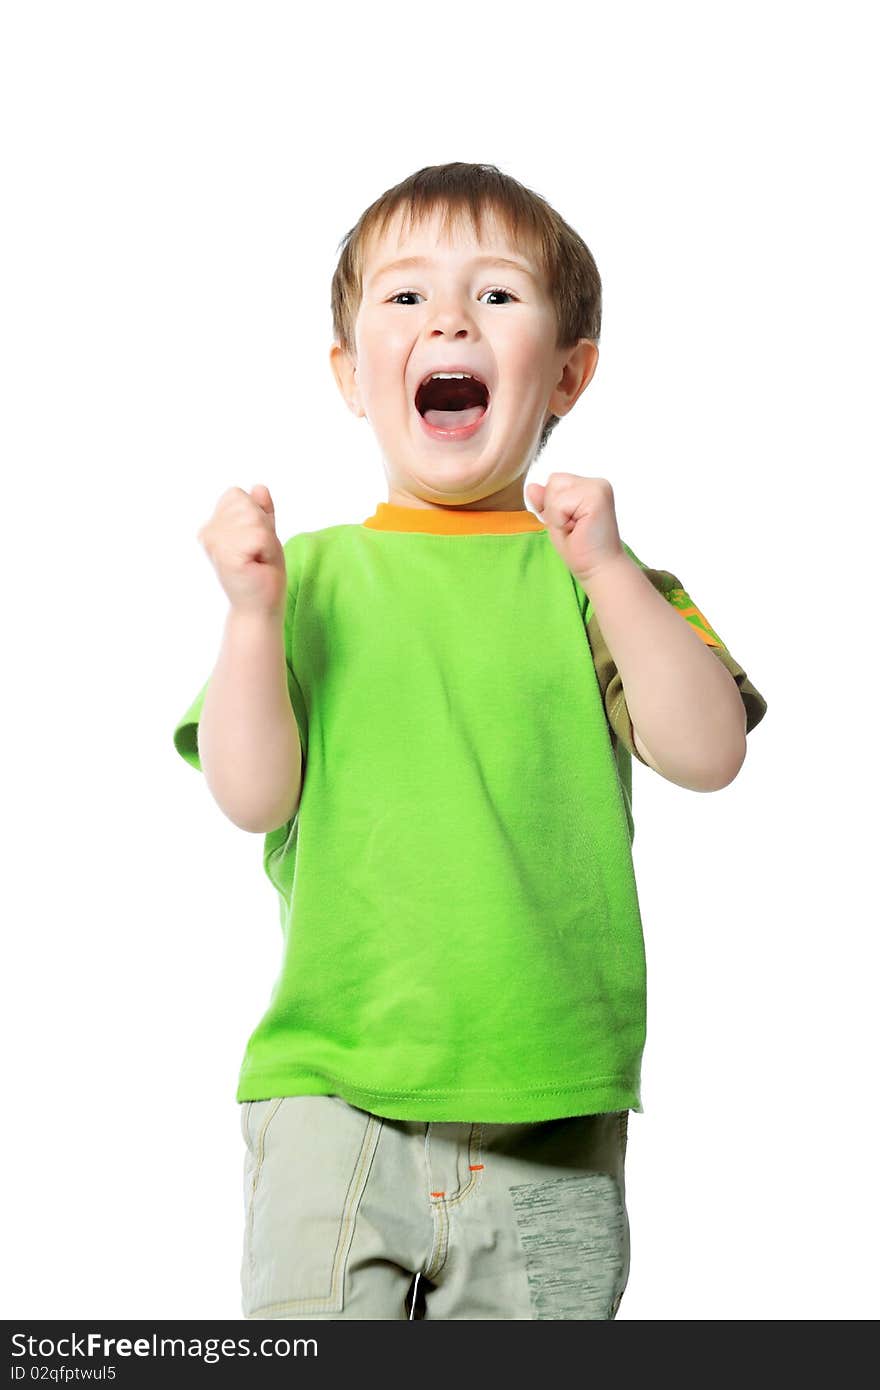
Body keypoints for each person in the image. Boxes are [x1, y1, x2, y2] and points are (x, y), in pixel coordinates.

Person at [173, 161, 767, 1321]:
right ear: (352, 375)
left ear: (568, 374)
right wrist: (250, 618)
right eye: (406, 298)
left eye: (496, 295)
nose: (448, 317)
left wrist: (606, 567)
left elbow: (709, 753)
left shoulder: (607, 581)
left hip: (551, 1111)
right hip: (332, 1094)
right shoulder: (315, 578)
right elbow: (251, 795)